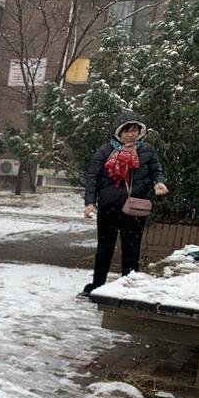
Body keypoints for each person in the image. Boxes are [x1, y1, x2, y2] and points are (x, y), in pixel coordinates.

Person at [78, 111, 168, 299]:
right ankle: (97, 285)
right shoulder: (105, 151)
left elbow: (156, 171)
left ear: (140, 132)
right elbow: (93, 177)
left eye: (135, 130)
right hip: (109, 206)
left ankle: (129, 286)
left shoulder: (147, 150)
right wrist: (89, 202)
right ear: (118, 132)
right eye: (127, 131)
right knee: (104, 248)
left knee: (132, 248)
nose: (131, 135)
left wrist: (159, 182)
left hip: (135, 206)